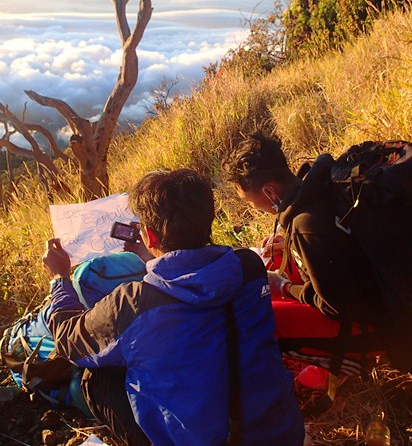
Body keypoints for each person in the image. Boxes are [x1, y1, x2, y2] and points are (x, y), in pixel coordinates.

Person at [43, 168, 306, 446]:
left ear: (149, 235)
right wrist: (149, 255)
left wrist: (60, 279)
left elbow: (68, 341)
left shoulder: (133, 304)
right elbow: (197, 281)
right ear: (208, 220)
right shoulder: (248, 267)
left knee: (94, 376)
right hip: (283, 434)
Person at [223, 132, 386, 375]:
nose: (253, 207)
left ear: (269, 192)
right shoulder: (318, 185)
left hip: (379, 325)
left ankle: (345, 363)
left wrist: (284, 287)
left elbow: (336, 308)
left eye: (249, 202)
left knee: (268, 320)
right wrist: (288, 243)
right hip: (384, 285)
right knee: (280, 260)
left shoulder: (305, 226)